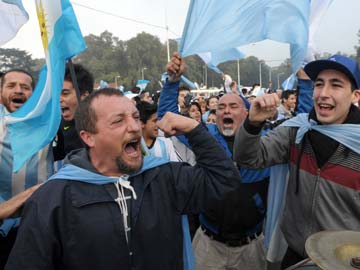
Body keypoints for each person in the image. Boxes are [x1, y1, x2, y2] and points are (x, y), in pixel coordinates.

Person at [6, 88, 246, 270]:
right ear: (88, 137)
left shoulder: (164, 176)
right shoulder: (54, 198)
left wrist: (195, 130)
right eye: (118, 121)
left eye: (134, 117)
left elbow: (225, 182)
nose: (134, 128)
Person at [233, 54, 360, 269]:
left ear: (355, 95)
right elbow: (248, 158)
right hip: (296, 258)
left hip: (346, 263)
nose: (324, 93)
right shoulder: (298, 131)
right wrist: (253, 123)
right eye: (319, 84)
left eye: (336, 85)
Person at [159, 52, 270, 270]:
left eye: (233, 106)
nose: (226, 110)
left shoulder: (266, 141)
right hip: (208, 244)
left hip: (252, 246)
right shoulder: (204, 136)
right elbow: (167, 117)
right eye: (220, 107)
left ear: (247, 113)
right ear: (214, 113)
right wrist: (173, 82)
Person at [0, 69, 54, 269]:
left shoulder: (48, 125)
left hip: (39, 228)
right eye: (11, 85)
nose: (19, 90)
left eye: (25, 87)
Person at [60, 63, 94, 155]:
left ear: (84, 96)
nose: (59, 99)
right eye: (56, 94)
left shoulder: (101, 126)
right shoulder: (55, 128)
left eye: (65, 93)